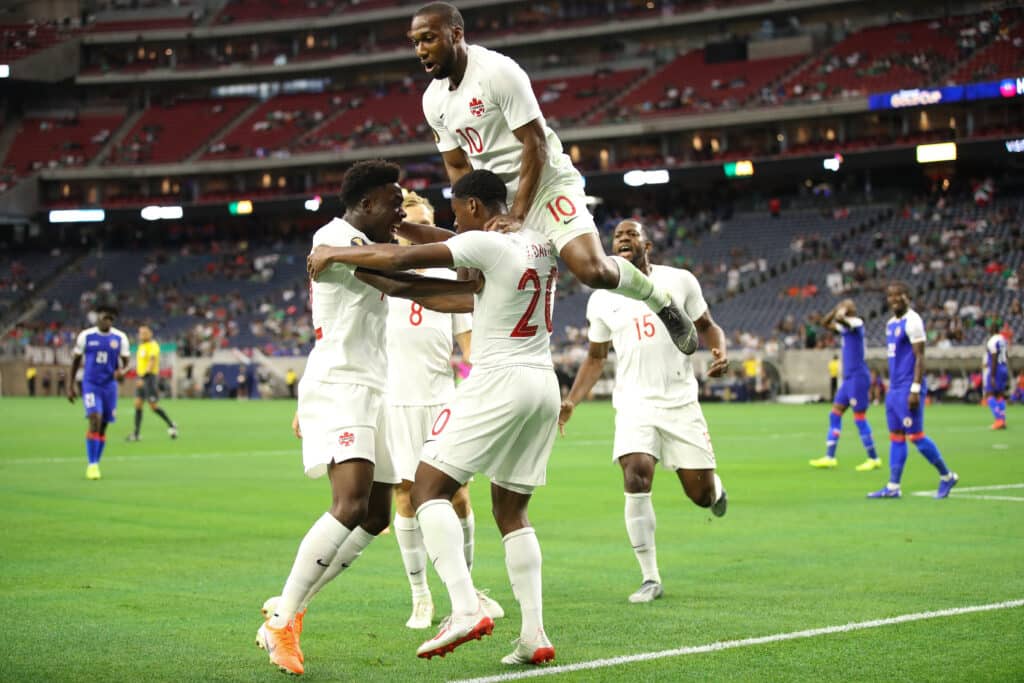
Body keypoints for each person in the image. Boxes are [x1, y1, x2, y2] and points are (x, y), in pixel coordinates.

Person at [308, 169, 560, 666]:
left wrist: (336, 252)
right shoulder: (540, 244)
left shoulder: (485, 246)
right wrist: (407, 227)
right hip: (544, 384)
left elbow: (404, 259)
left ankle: (463, 607)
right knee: (511, 512)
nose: (454, 219)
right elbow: (435, 240)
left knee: (425, 490)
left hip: (498, 378)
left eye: (456, 209)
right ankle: (534, 634)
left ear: (471, 208)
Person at [255, 160, 476, 676]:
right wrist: (476, 284)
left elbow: (417, 249)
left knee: (376, 516)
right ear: (367, 204)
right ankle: (284, 618)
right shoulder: (334, 237)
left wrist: (482, 245)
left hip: (375, 388)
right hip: (340, 387)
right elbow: (406, 279)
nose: (399, 211)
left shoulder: (366, 232)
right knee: (350, 503)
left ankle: (290, 604)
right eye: (393, 202)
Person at [407, 2, 698, 356]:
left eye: (428, 39)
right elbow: (456, 165)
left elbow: (536, 144)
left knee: (592, 271)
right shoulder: (432, 100)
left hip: (545, 184)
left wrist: (517, 213)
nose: (421, 49)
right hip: (495, 197)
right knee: (471, 281)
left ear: (456, 34)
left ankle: (659, 299)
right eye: (416, 42)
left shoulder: (498, 72)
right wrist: (467, 213)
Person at [558, 220, 729, 604]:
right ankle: (650, 577)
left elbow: (708, 326)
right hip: (634, 403)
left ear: (646, 245)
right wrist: (572, 400)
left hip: (680, 401)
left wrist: (720, 350)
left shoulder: (680, 280)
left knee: (699, 494)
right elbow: (595, 357)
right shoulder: (602, 297)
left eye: (630, 235)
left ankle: (715, 490)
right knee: (636, 474)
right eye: (616, 236)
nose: (622, 239)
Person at [387, 191, 502, 629]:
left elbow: (470, 347)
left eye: (421, 224)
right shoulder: (381, 280)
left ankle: (466, 593)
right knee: (405, 495)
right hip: (396, 400)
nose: (413, 234)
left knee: (457, 494)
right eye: (405, 225)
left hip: (442, 400)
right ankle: (420, 597)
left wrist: (482, 387)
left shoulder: (449, 278)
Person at [868, 282, 958, 499]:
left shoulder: (913, 320)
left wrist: (915, 388)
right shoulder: (890, 323)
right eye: (891, 295)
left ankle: (947, 476)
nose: (895, 299)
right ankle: (893, 486)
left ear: (908, 297)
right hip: (895, 388)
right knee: (896, 436)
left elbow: (920, 356)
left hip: (909, 386)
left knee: (916, 436)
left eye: (899, 295)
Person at [809, 299, 881, 471]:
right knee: (835, 414)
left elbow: (841, 321)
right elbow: (826, 324)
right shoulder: (845, 327)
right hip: (848, 379)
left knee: (859, 418)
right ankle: (830, 457)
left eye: (846, 305)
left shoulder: (856, 322)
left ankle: (873, 458)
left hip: (858, 377)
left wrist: (840, 312)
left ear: (852, 309)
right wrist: (835, 310)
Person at [67, 306, 131, 480]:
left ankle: (96, 461)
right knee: (95, 418)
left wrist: (122, 372)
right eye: (104, 317)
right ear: (98, 319)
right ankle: (92, 464)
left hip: (109, 387)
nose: (107, 321)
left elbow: (127, 363)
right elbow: (75, 361)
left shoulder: (120, 338)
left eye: (110, 318)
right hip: (91, 384)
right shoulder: (86, 336)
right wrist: (70, 385)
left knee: (103, 426)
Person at [125, 325, 178, 442]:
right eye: (140, 333)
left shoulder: (153, 346)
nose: (142, 335)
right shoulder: (141, 346)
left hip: (149, 378)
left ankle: (171, 424)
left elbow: (152, 361)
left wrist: (143, 377)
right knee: (138, 404)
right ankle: (136, 434)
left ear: (150, 333)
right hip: (142, 377)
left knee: (153, 406)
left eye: (144, 332)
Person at [983, 320, 1010, 430]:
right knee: (1000, 395)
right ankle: (1002, 419)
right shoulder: (1003, 340)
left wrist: (993, 376)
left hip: (997, 369)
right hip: (1004, 367)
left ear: (992, 329)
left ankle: (998, 420)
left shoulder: (992, 341)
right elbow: (1006, 355)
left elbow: (994, 358)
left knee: (989, 395)